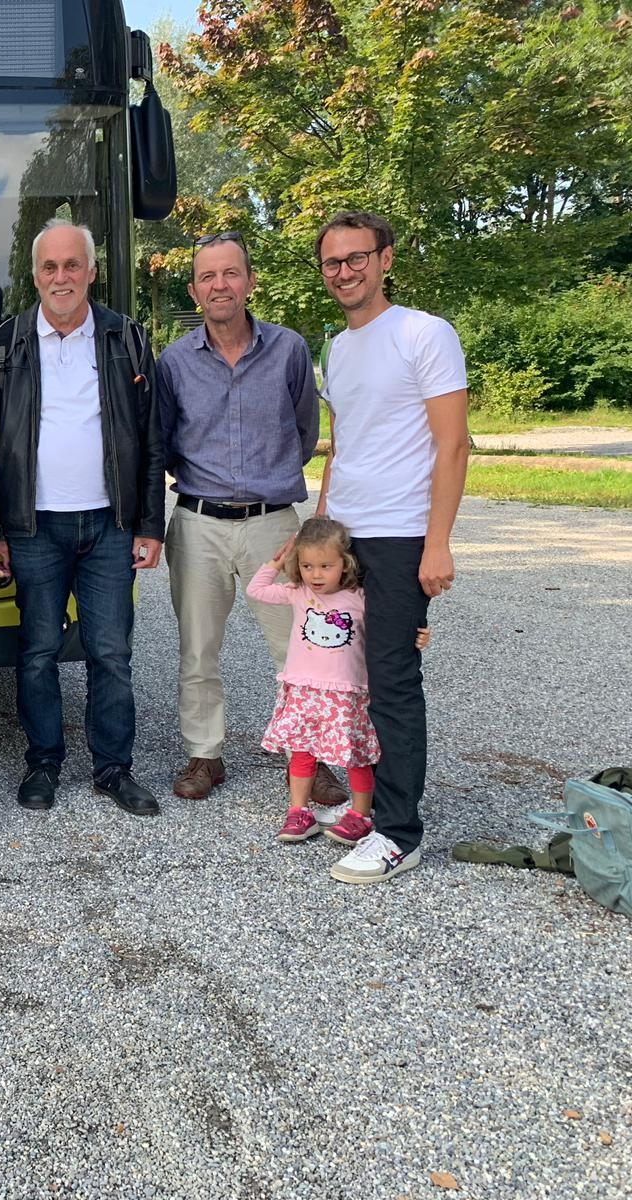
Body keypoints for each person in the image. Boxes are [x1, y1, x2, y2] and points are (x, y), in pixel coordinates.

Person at [0, 218, 166, 816]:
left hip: (110, 524)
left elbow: (152, 439)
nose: (62, 277)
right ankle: (44, 762)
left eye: (72, 265)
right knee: (36, 653)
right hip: (34, 530)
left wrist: (150, 525)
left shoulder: (125, 339)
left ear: (91, 271)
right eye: (50, 267)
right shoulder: (5, 345)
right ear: (35, 276)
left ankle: (113, 767)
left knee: (111, 652)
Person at [155, 231, 346, 805]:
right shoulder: (174, 362)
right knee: (197, 647)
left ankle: (309, 755)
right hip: (199, 523)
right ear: (194, 290)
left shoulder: (288, 350)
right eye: (208, 277)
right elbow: (163, 442)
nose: (220, 285)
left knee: (301, 648)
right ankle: (205, 754)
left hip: (274, 525)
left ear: (250, 282)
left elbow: (304, 430)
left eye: (230, 274)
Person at [314, 210, 469, 885]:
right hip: (345, 536)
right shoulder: (336, 349)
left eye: (357, 258)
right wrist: (317, 532)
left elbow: (453, 444)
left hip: (403, 534)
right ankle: (366, 804)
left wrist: (438, 544)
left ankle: (400, 832)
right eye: (332, 262)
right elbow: (343, 442)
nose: (344, 271)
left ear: (385, 259)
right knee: (350, 681)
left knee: (395, 685)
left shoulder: (424, 333)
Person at [246, 518, 431, 851]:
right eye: (307, 566)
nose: (315, 574)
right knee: (302, 753)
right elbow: (255, 590)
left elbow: (391, 625)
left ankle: (361, 814)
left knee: (355, 755)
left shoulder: (360, 598)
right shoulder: (297, 592)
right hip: (304, 689)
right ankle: (298, 811)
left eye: (325, 566)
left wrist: (415, 636)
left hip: (347, 692)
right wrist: (277, 560)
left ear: (345, 564)